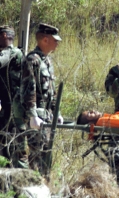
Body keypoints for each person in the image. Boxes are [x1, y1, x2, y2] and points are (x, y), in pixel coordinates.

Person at [20, 23, 63, 178]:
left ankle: (45, 183)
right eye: (54, 40)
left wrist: (56, 112)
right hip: (37, 116)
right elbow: (29, 88)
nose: (57, 43)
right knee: (37, 155)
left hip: (47, 115)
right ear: (45, 40)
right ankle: (35, 184)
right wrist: (32, 116)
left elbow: (50, 90)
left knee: (47, 153)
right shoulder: (33, 60)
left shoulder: (47, 61)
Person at [0, 25, 27, 168]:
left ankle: (25, 180)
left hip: (13, 108)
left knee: (16, 146)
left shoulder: (12, 52)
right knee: (5, 144)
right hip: (7, 106)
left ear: (4, 36)